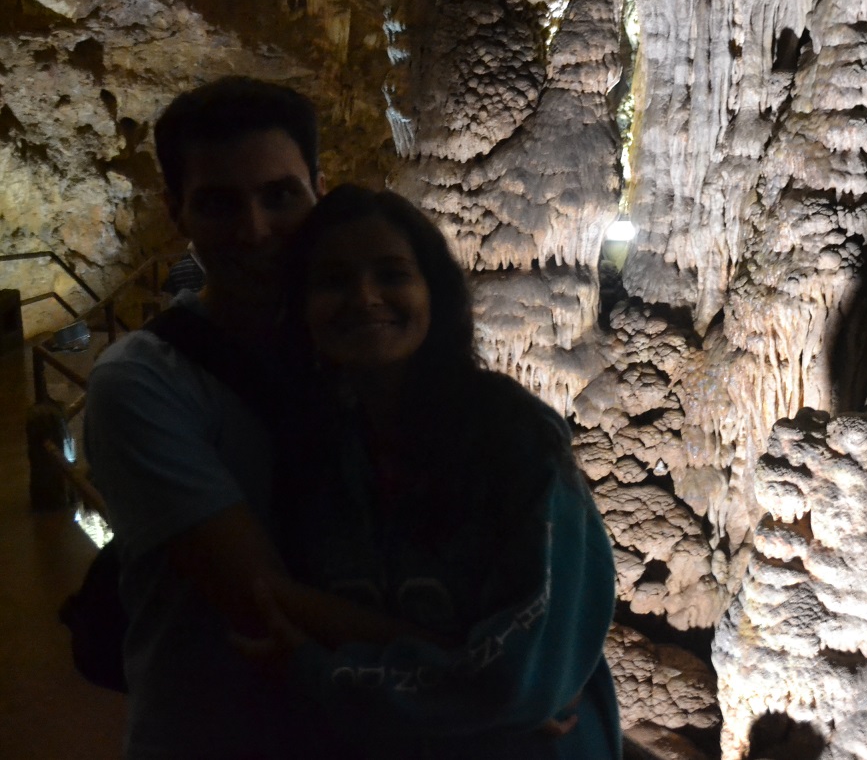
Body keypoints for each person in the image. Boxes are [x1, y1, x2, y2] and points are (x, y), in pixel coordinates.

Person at [85, 78, 413, 758]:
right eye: (219, 203)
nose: (255, 230)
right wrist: (491, 667)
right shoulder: (142, 383)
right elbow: (263, 600)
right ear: (177, 212)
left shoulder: (361, 349)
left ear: (318, 192)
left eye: (279, 196)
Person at [257, 184, 622, 759]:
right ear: (301, 307)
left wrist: (322, 673)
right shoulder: (308, 450)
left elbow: (520, 677)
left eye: (392, 274)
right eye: (332, 281)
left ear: (434, 292)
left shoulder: (514, 436)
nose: (364, 297)